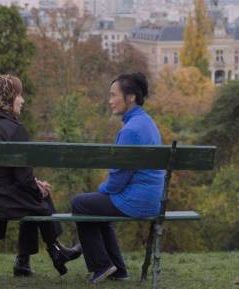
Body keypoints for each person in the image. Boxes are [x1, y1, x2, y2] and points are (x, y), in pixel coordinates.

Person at [0, 74, 81, 277]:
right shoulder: (14, 129)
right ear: (7, 98)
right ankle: (54, 250)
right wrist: (37, 186)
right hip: (3, 201)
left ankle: (26, 261)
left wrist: (33, 184)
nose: (22, 100)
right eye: (18, 95)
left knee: (32, 197)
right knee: (38, 197)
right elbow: (23, 180)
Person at [70, 72, 165, 283]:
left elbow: (117, 180)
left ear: (130, 97)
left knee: (80, 203)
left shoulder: (130, 130)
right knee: (96, 207)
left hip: (137, 200)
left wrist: (102, 189)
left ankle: (101, 265)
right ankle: (118, 270)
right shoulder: (146, 122)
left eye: (114, 95)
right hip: (151, 198)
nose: (110, 100)